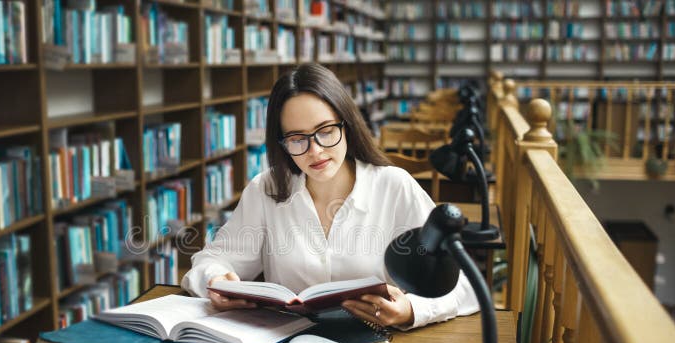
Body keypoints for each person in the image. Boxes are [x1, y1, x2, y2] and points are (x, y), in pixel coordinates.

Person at [181, 63, 478, 329]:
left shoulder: (394, 186)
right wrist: (215, 280)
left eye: (325, 131)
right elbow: (212, 259)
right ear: (282, 144)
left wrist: (411, 310)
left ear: (346, 124)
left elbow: (464, 286)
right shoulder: (265, 190)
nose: (316, 151)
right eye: (298, 139)